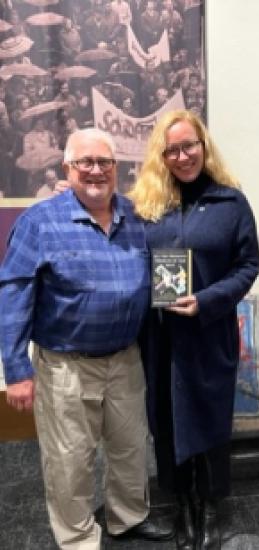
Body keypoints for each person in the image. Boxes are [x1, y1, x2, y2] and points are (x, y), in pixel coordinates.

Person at [0, 128, 174, 549]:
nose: (96, 171)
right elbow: (14, 296)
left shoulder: (137, 217)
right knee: (69, 460)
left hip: (125, 359)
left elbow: (168, 269)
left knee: (130, 449)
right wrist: (16, 370)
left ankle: (128, 517)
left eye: (105, 163)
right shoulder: (39, 222)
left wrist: (183, 300)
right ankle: (78, 537)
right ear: (67, 169)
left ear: (117, 169)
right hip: (65, 365)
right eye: (86, 163)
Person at [128, 109, 259, 550]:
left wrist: (207, 300)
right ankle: (181, 501)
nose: (183, 156)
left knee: (208, 419)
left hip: (209, 332)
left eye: (190, 146)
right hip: (160, 337)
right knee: (165, 421)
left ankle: (208, 505)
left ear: (204, 145)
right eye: (173, 150)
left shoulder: (231, 202)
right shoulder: (146, 206)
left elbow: (248, 265)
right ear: (161, 156)